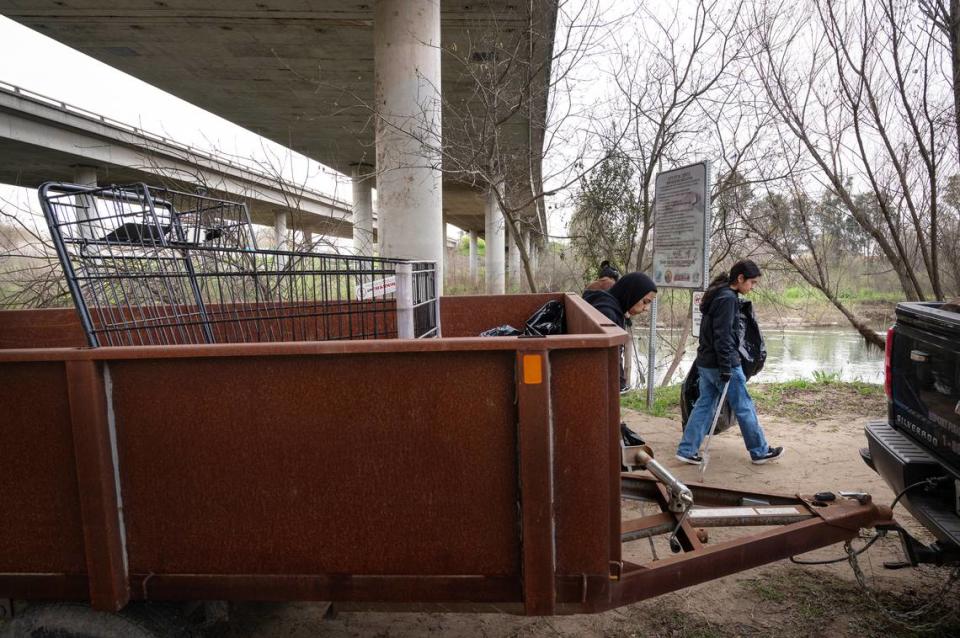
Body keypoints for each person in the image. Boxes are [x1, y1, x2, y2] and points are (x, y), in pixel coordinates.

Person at [676, 260, 784, 465]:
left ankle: (687, 450)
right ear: (740, 278)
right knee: (744, 406)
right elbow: (723, 336)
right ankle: (760, 451)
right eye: (752, 282)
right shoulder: (728, 299)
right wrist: (726, 368)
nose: (753, 287)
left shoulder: (718, 294)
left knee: (704, 405)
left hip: (706, 362)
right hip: (722, 365)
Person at [583, 271, 658, 391]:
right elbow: (609, 358)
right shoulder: (607, 314)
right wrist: (619, 385)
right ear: (633, 294)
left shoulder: (609, 306)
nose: (646, 309)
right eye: (645, 302)